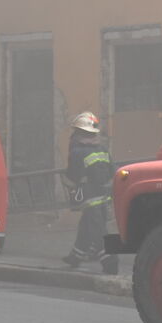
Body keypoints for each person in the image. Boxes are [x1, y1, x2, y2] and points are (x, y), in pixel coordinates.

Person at [61, 110, 117, 273]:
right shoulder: (103, 149)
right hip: (104, 195)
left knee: (97, 230)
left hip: (89, 196)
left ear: (79, 132)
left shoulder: (78, 152)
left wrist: (70, 186)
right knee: (86, 225)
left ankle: (110, 261)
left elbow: (73, 175)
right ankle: (76, 256)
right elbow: (113, 169)